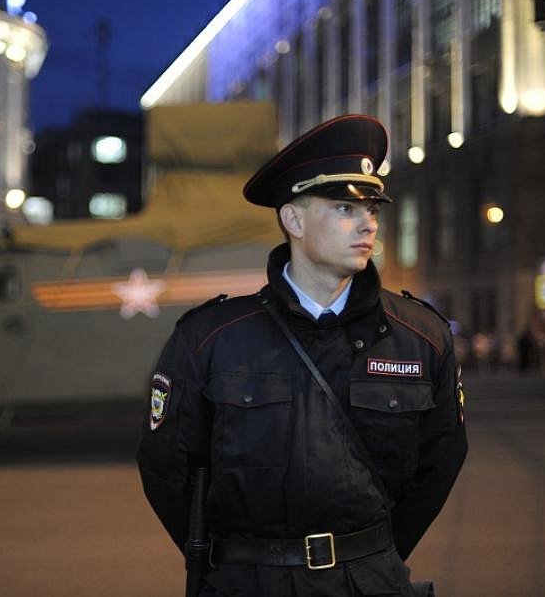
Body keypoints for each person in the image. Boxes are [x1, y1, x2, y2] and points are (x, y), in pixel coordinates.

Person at [137, 115, 468, 596]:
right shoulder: (213, 338)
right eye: (343, 208)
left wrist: (369, 556)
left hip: (369, 583)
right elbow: (167, 471)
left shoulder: (420, 337)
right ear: (292, 219)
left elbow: (440, 462)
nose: (367, 223)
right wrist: (236, 563)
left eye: (371, 208)